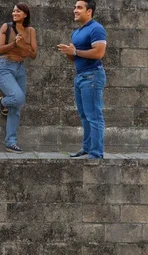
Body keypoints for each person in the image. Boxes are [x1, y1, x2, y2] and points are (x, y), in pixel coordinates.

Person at [58, 0, 107, 159]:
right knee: (85, 116)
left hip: (92, 75)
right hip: (80, 76)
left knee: (94, 116)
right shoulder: (76, 32)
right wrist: (69, 52)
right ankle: (87, 148)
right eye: (75, 7)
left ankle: (96, 153)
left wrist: (75, 51)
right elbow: (75, 57)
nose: (75, 10)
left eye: (79, 7)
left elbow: (99, 53)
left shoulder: (96, 28)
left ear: (89, 11)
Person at [0, 2, 37, 154]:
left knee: (16, 107)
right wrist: (14, 44)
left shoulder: (30, 30)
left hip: (20, 68)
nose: (14, 13)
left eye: (18, 11)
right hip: (5, 66)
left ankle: (11, 143)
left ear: (25, 14)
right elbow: (0, 49)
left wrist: (23, 46)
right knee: (18, 97)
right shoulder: (6, 27)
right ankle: (3, 101)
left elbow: (33, 54)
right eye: (13, 11)